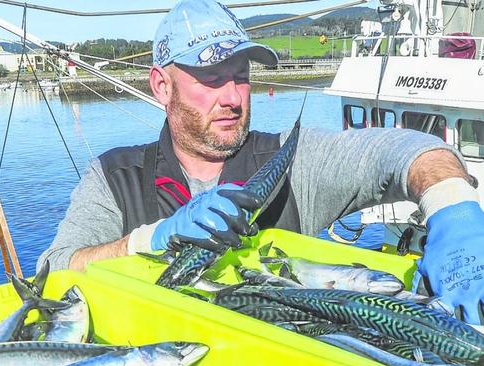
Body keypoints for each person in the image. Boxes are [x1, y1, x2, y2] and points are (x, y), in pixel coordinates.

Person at [39, 0, 484, 324]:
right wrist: (147, 240)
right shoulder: (116, 178)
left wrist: (453, 208)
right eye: (212, 79)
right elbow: (52, 270)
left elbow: (407, 151)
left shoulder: (292, 161)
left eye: (242, 78)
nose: (233, 98)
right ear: (162, 87)